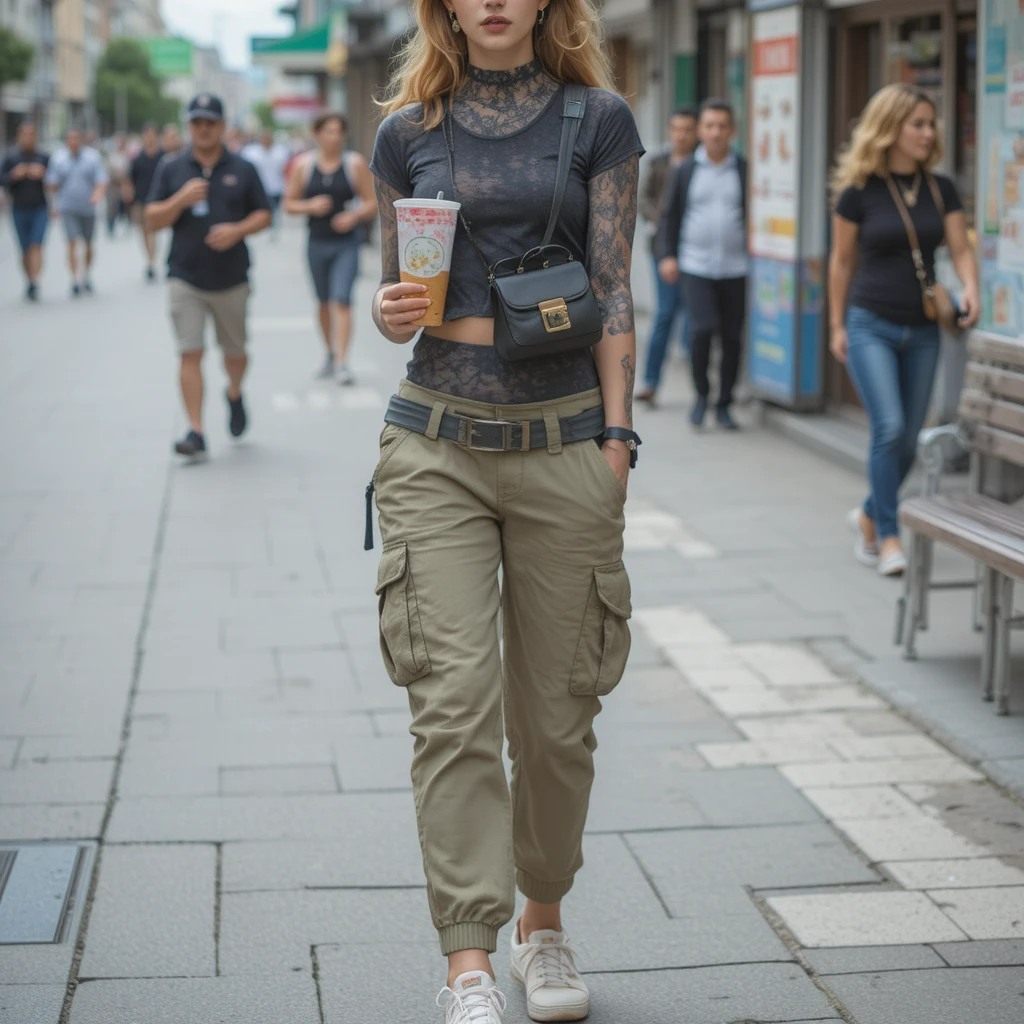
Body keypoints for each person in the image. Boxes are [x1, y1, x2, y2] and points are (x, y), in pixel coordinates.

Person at [370, 0, 643, 1020]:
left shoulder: (597, 119)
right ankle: (468, 961)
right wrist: (388, 305)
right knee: (451, 706)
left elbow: (613, 288)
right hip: (434, 439)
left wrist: (617, 441)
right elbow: (389, 294)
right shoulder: (407, 133)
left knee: (559, 716)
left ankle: (544, 926)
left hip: (568, 439)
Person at [829, 84, 979, 577]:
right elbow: (841, 262)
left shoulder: (940, 187)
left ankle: (871, 515)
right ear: (891, 127)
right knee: (889, 428)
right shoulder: (859, 191)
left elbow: (959, 249)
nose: (927, 132)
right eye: (917, 123)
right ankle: (889, 538)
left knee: (911, 441)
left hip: (924, 328)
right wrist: (836, 323)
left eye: (930, 123)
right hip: (870, 321)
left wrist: (971, 287)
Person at [145, 93, 272, 458]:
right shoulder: (171, 168)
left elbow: (265, 215)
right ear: (188, 126)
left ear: (222, 126)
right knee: (190, 352)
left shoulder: (243, 168)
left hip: (232, 278)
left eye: (210, 122)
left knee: (235, 354)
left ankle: (234, 392)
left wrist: (237, 230)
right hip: (184, 276)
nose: (203, 129)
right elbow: (151, 220)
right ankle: (196, 431)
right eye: (196, 122)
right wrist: (179, 201)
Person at [656, 98, 748, 430]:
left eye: (722, 126)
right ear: (700, 130)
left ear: (732, 131)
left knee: (733, 338)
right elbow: (670, 216)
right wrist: (668, 255)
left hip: (737, 268)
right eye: (709, 126)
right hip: (695, 265)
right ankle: (700, 396)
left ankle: (724, 404)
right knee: (701, 330)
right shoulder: (685, 171)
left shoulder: (744, 169)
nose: (716, 132)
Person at [284, 112, 377, 383]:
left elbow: (372, 202)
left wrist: (353, 216)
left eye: (339, 132)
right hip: (317, 243)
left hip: (346, 244)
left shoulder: (354, 164)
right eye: (328, 131)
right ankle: (329, 353)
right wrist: (309, 206)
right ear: (317, 135)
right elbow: (288, 204)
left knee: (342, 300)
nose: (334, 137)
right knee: (323, 302)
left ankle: (343, 362)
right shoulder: (304, 166)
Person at [637, 107, 697, 405]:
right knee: (665, 314)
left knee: (694, 316)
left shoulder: (702, 163)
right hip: (663, 249)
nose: (682, 135)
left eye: (688, 129)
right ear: (670, 131)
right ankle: (650, 382)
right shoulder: (660, 162)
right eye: (677, 129)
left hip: (697, 250)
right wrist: (662, 219)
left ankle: (701, 386)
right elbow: (644, 199)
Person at [45, 127, 108, 297]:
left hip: (87, 207)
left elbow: (101, 180)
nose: (73, 142)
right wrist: (53, 204)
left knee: (88, 243)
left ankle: (86, 274)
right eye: (70, 139)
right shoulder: (58, 159)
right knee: (72, 241)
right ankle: (75, 279)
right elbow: (51, 184)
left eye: (76, 138)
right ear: (66, 141)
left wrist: (97, 195)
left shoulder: (92, 157)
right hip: (67, 207)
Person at [1, 121, 50, 301]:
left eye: (32, 135)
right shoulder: (11, 158)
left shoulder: (44, 157)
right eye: (25, 135)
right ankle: (29, 280)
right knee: (24, 248)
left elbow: (55, 181)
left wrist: (43, 174)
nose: (29, 139)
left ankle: (35, 282)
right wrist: (15, 175)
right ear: (19, 137)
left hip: (40, 207)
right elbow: (3, 180)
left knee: (36, 245)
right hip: (19, 208)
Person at [126, 123, 164, 280]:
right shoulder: (138, 159)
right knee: (144, 232)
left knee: (152, 231)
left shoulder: (163, 157)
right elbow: (130, 179)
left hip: (157, 201)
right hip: (141, 200)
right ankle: (149, 260)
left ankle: (151, 261)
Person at [242, 130, 291, 240]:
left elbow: (285, 170)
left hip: (276, 187)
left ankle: (273, 231)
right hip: (260, 188)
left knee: (275, 211)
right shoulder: (251, 152)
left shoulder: (280, 152)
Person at [105, 132, 131, 237]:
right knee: (112, 208)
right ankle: (111, 227)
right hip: (113, 186)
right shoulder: (112, 156)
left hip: (124, 185)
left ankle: (127, 228)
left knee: (126, 208)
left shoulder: (127, 156)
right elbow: (110, 171)